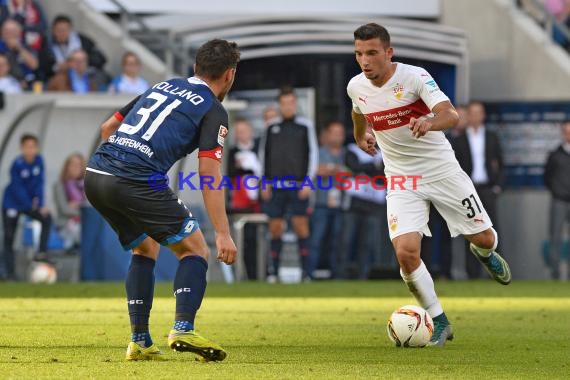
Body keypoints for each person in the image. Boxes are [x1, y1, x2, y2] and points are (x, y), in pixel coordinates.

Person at [346, 23, 511, 346]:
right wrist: (359, 134)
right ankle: (439, 320)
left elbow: (451, 115)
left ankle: (484, 251)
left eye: (372, 53)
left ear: (388, 52)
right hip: (401, 179)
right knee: (406, 254)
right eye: (359, 54)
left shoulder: (414, 77)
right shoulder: (356, 86)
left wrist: (429, 121)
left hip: (441, 171)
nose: (365, 61)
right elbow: (357, 113)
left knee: (483, 236)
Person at [84, 38, 239, 361]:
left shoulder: (164, 85)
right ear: (229, 75)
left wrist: (121, 161)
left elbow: (109, 126)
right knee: (196, 249)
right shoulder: (213, 109)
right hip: (134, 180)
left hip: (96, 173)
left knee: (146, 246)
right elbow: (208, 173)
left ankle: (140, 340)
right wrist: (223, 232)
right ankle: (183, 327)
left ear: (195, 68)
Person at [259, 86, 318, 282]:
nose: (288, 106)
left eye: (291, 103)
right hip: (275, 185)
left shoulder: (305, 126)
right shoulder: (271, 127)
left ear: (295, 104)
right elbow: (263, 155)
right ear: (280, 105)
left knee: (301, 226)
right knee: (275, 227)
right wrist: (263, 181)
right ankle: (273, 272)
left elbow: (312, 154)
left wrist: (308, 181)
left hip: (298, 185)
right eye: (284, 103)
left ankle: (306, 273)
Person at [452, 101, 504, 279]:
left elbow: (501, 163)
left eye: (478, 112)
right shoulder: (458, 140)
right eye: (471, 113)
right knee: (472, 231)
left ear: (483, 115)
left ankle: (495, 272)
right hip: (469, 190)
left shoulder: (492, 137)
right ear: (468, 115)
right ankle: (472, 273)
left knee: (492, 230)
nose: (475, 116)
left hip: (488, 189)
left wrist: (497, 187)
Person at [1, 134, 52, 280]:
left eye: (33, 147)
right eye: (27, 147)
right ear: (22, 148)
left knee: (46, 218)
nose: (31, 150)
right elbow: (17, 189)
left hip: (29, 204)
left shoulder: (39, 161)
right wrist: (31, 206)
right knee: (9, 237)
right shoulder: (16, 164)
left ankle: (41, 252)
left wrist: (41, 204)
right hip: (12, 204)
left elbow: (40, 184)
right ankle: (8, 273)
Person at [308, 121, 345, 279]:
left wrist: (330, 170)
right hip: (321, 204)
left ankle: (336, 275)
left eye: (340, 133)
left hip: (341, 205)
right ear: (327, 134)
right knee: (316, 240)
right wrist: (336, 170)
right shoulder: (318, 152)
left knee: (338, 243)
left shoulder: (346, 153)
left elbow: (351, 173)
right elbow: (317, 170)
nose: (337, 136)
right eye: (334, 132)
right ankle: (309, 273)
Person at [226, 118, 261, 279]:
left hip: (259, 201)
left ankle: (263, 271)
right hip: (242, 202)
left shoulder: (259, 149)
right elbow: (232, 172)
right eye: (239, 132)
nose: (242, 135)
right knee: (244, 240)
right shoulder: (232, 152)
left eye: (244, 131)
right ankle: (247, 274)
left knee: (259, 238)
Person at [544, 121, 570, 281]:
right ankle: (555, 273)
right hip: (559, 200)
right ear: (562, 133)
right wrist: (557, 191)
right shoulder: (555, 154)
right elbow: (547, 177)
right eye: (566, 131)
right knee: (555, 237)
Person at [53, 153, 86, 251]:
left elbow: (91, 206)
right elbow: (65, 209)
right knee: (83, 233)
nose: (76, 167)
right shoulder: (59, 186)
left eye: (79, 165)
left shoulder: (86, 186)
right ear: (67, 167)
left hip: (84, 222)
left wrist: (78, 205)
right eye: (73, 164)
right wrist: (84, 211)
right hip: (66, 225)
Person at [0, 18, 38, 86]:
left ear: (19, 32)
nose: (9, 34)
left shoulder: (25, 45)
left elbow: (34, 65)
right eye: (6, 31)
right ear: (2, 33)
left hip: (28, 82)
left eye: (13, 31)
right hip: (6, 82)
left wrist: (19, 48)